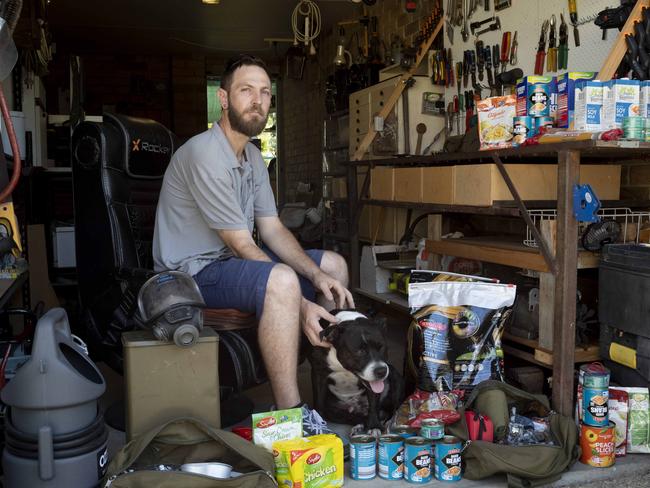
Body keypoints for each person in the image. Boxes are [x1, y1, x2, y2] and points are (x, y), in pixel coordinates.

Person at [153, 54, 355, 434]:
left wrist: (314, 274)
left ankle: (332, 394)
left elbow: (273, 229)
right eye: (246, 90)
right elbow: (242, 245)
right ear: (225, 98)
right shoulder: (204, 154)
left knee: (333, 267)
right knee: (281, 281)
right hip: (191, 276)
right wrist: (303, 303)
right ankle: (289, 418)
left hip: (229, 264)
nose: (258, 100)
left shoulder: (252, 157)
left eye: (265, 92)